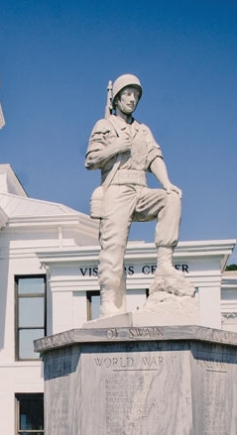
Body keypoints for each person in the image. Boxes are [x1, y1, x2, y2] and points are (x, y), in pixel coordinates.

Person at [85, 74, 183, 317]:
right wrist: (115, 147)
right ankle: (108, 299)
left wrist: (167, 183)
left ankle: (164, 264)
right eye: (127, 94)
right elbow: (90, 160)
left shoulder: (142, 130)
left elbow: (154, 157)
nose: (132, 99)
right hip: (116, 190)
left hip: (141, 188)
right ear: (116, 98)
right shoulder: (104, 125)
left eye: (136, 95)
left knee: (171, 199)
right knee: (114, 247)